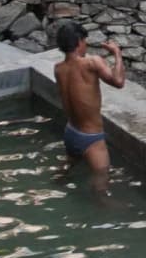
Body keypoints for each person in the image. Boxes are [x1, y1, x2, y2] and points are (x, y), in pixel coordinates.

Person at [53, 21, 125, 175]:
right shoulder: (92, 62)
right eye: (85, 41)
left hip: (70, 132)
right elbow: (118, 82)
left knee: (64, 171)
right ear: (79, 42)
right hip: (92, 138)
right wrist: (117, 54)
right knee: (101, 186)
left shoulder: (58, 69)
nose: (86, 45)